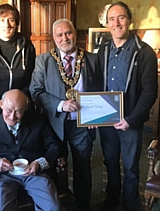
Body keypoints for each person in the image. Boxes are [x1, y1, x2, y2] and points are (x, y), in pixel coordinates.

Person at [29, 19, 102, 210]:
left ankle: (83, 206)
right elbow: (36, 91)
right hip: (54, 125)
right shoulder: (43, 61)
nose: (64, 38)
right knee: (52, 168)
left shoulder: (92, 59)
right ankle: (56, 205)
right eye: (59, 35)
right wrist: (61, 104)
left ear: (75, 34)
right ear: (54, 38)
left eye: (68, 33)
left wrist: (98, 116)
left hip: (83, 124)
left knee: (83, 169)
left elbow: (101, 90)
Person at [97, 2, 158, 210]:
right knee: (110, 162)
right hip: (106, 119)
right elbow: (97, 83)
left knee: (131, 167)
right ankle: (112, 198)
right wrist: (93, 114)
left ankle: (131, 204)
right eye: (112, 19)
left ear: (129, 21)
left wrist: (131, 120)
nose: (116, 23)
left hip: (130, 120)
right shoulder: (103, 48)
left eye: (121, 17)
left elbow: (150, 93)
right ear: (107, 24)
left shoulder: (145, 52)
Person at [0, 89, 62, 211]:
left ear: (25, 108)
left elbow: (54, 146)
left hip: (34, 173)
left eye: (18, 111)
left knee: (53, 207)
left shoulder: (38, 121)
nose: (12, 117)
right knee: (0, 208)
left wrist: (39, 163)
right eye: (9, 110)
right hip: (3, 177)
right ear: (1, 104)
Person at [0, 3, 36, 110]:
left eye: (11, 20)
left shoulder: (28, 47)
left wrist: (25, 95)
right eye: (2, 20)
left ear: (16, 24)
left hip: (21, 102)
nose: (7, 25)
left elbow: (32, 75)